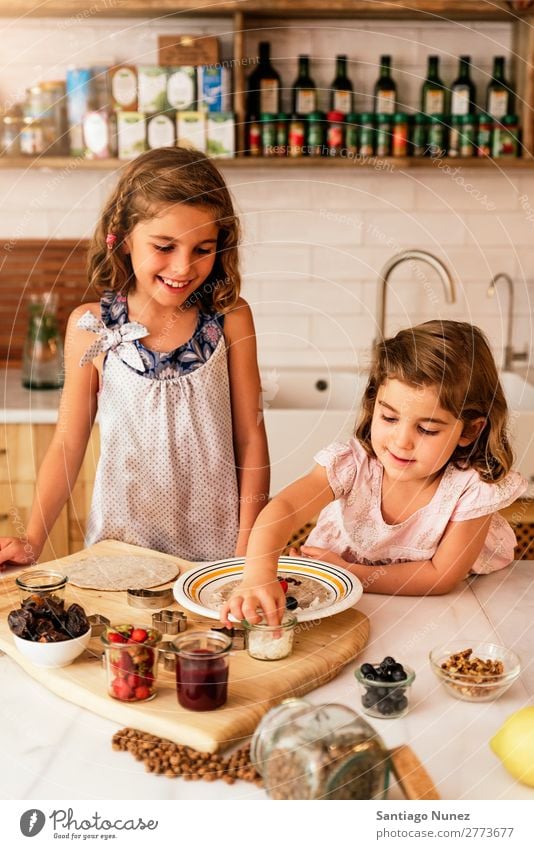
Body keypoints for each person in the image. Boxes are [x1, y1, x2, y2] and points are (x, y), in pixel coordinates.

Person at [0, 147, 269, 567]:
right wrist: (33, 539)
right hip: (119, 549)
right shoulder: (91, 326)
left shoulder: (231, 318)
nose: (183, 267)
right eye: (164, 246)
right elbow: (68, 444)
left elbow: (251, 440)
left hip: (215, 556)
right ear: (123, 238)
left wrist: (247, 556)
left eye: (203, 248)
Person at [221, 320, 527, 626]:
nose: (401, 442)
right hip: (339, 601)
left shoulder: (472, 487)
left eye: (427, 429)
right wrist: (258, 573)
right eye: (389, 417)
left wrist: (351, 572)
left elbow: (440, 577)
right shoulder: (353, 464)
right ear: (373, 404)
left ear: (470, 430)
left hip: (430, 612)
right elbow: (284, 508)